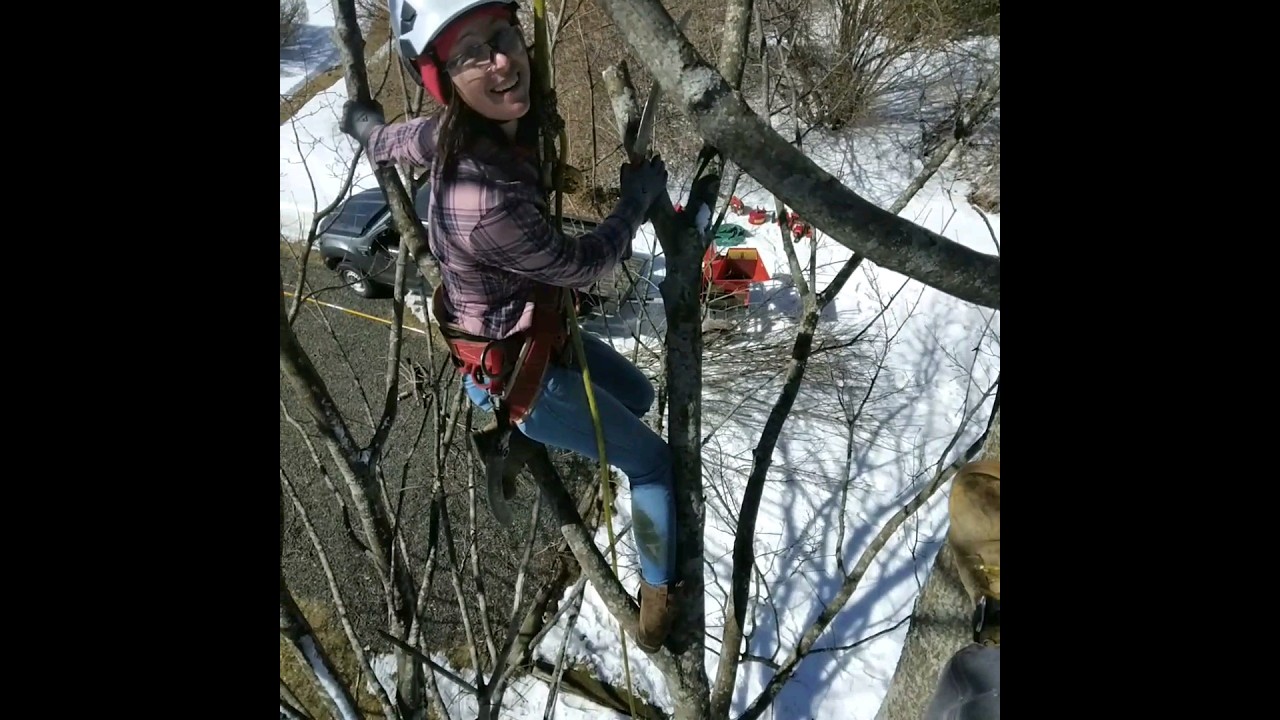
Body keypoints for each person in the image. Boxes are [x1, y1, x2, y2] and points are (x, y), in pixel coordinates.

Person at [338, 0, 679, 653]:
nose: (500, 60)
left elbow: (392, 141)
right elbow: (585, 264)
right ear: (446, 80)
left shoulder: (450, 131)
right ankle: (659, 605)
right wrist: (636, 200)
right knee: (655, 465)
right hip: (526, 380)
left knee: (639, 396)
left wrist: (365, 126)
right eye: (472, 54)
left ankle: (529, 427)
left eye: (502, 36)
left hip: (527, 340)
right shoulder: (486, 200)